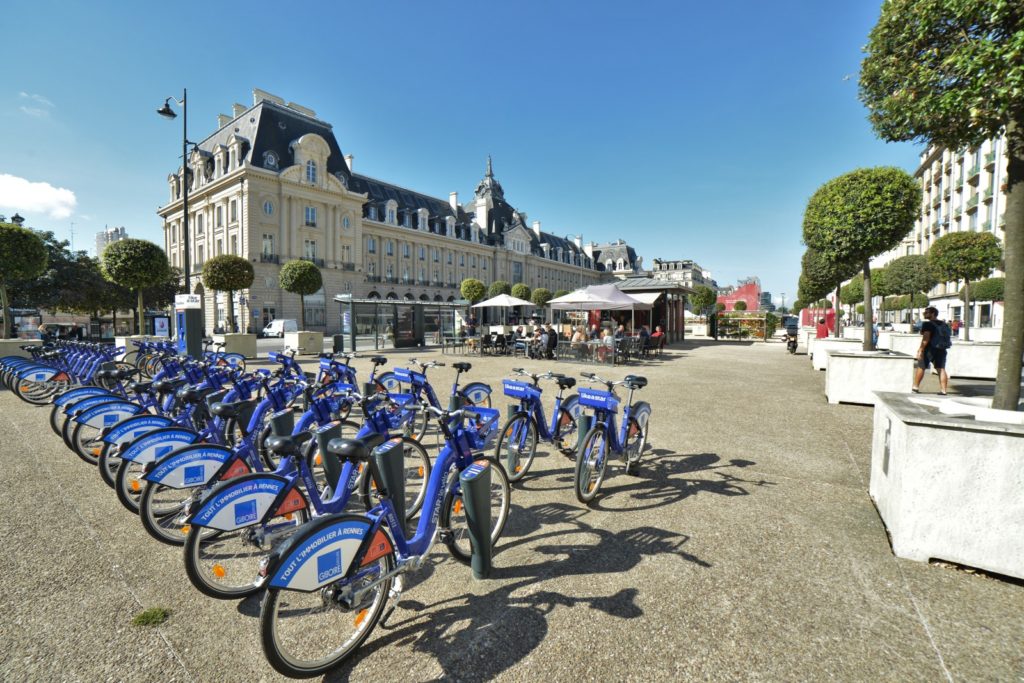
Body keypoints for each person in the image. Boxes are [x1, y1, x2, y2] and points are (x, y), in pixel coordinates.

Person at [912, 306, 950, 395]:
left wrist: (921, 349)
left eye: (927, 312)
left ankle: (915, 387)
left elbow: (926, 338)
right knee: (941, 369)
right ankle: (943, 390)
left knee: (921, 366)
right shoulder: (944, 324)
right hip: (941, 348)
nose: (925, 314)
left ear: (933, 314)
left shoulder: (928, 324)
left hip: (929, 349)